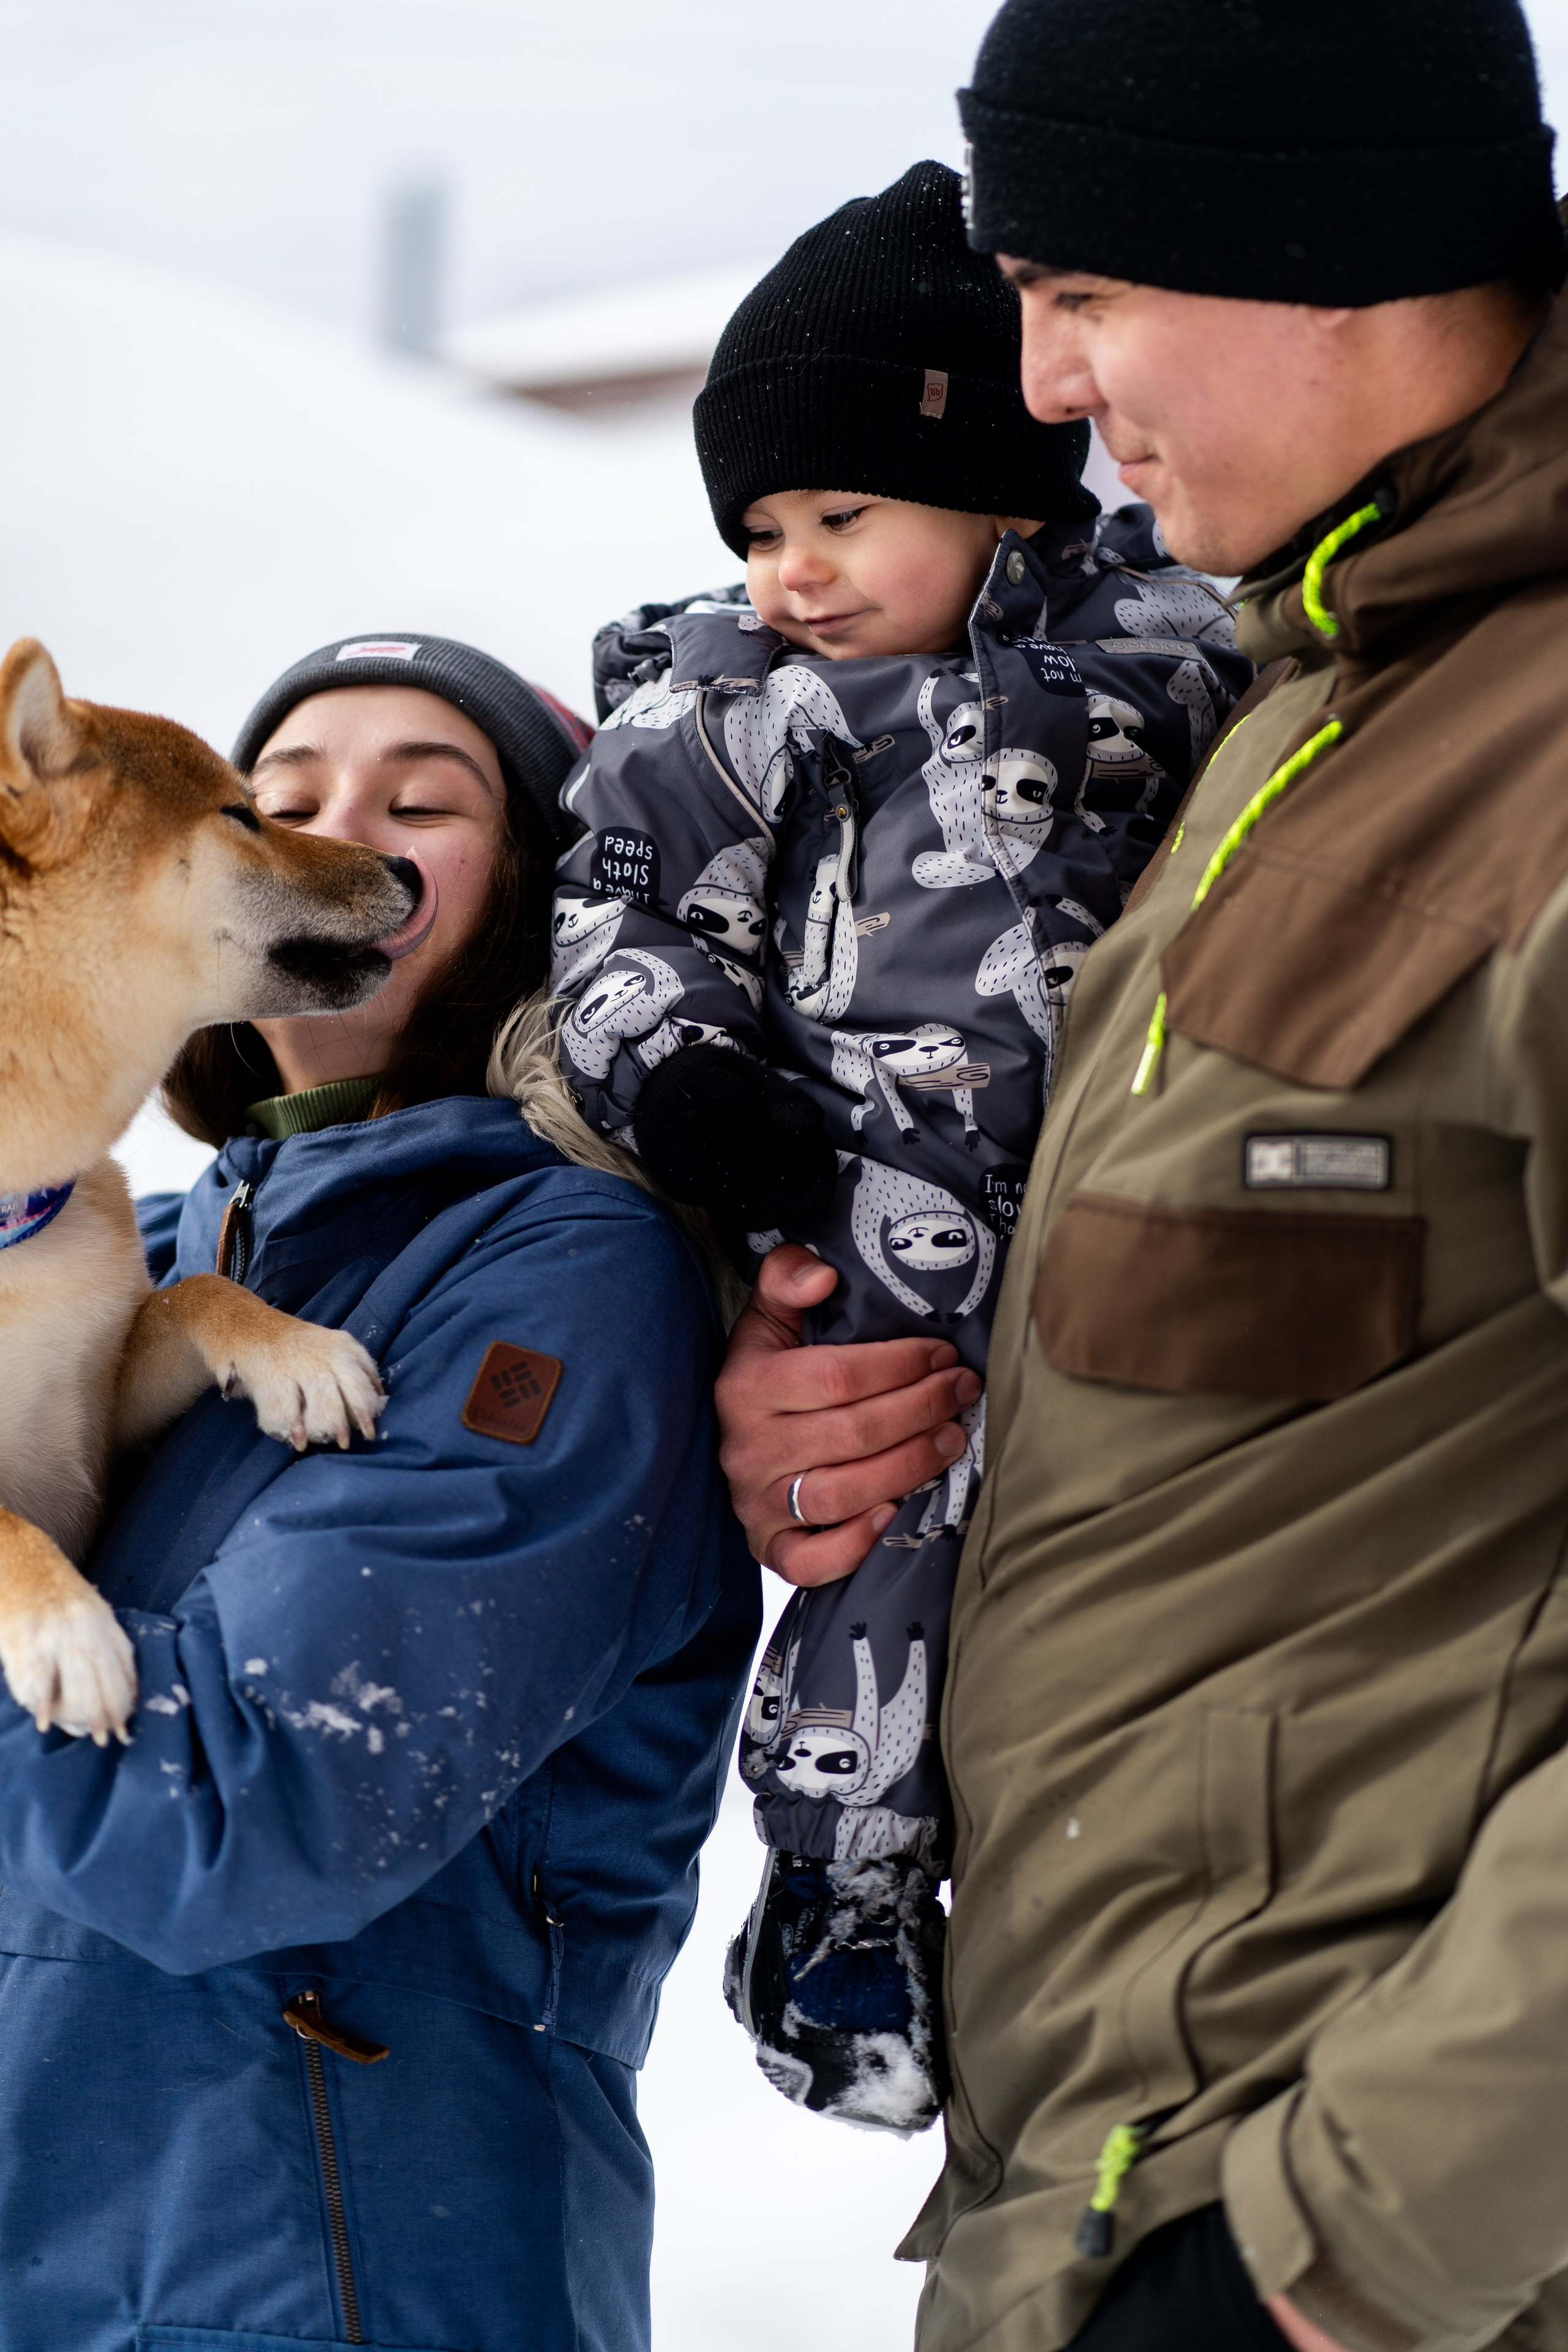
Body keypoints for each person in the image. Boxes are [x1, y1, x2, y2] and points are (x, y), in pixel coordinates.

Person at [718, 1, 1568, 2346]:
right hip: (1101, 2179)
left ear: (1326, 253)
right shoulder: (1302, 711)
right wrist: (860, 1399)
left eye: (1084, 296)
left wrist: (1342, 2248)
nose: (1049, 387)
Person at [548, 161, 1249, 2130]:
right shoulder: (725, 712)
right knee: (888, 1533)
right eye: (760, 526)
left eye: (841, 515)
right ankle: (839, 1893)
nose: (792, 569)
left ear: (1008, 490)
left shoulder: (1173, 648)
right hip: (870, 1189)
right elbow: (618, 930)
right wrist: (684, 1081)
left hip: (1133, 1194)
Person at [0, 630, 758, 2352]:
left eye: (429, 800)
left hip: (336, 2258)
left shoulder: (564, 1264)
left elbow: (249, 1818)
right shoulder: (154, 1248)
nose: (353, 833)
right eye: (277, 807)